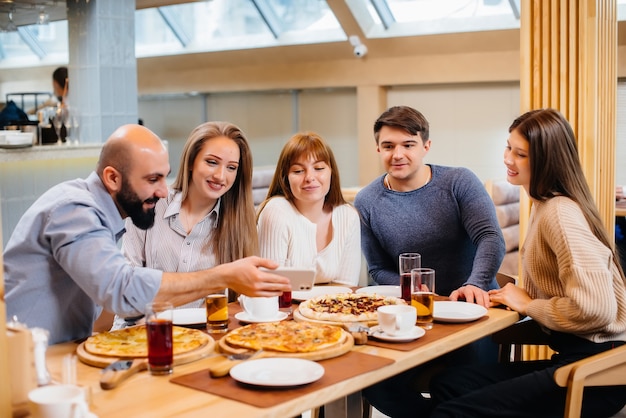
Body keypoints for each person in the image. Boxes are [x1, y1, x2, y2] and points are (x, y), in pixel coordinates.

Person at [3, 124, 290, 345]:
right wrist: (221, 276)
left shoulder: (101, 215)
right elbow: (121, 292)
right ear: (113, 178)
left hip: (59, 351)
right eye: (153, 179)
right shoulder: (74, 210)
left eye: (164, 177)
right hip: (28, 360)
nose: (165, 191)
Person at [430, 108, 626, 417]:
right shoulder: (543, 204)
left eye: (520, 154)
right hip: (581, 358)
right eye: (509, 146)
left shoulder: (560, 213)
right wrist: (508, 293)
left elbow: (597, 308)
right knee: (450, 383)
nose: (508, 158)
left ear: (546, 161)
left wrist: (529, 305)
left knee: (453, 411)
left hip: (599, 372)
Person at [354, 105, 505, 417]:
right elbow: (377, 269)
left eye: (408, 145)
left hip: (472, 310)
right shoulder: (366, 200)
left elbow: (490, 237)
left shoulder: (458, 181)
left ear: (426, 146)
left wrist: (474, 284)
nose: (398, 154)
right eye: (388, 146)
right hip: (415, 315)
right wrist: (421, 293)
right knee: (374, 383)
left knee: (463, 386)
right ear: (378, 149)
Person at [111, 121, 259, 329]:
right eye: (211, 162)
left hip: (202, 339)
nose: (220, 176)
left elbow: (242, 303)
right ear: (191, 161)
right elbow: (126, 295)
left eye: (231, 167)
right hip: (139, 334)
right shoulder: (149, 204)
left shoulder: (239, 222)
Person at [256, 131, 361, 286]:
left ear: (331, 172)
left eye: (319, 168)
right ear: (285, 178)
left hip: (331, 309)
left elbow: (346, 288)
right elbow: (272, 286)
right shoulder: (276, 211)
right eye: (298, 171)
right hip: (281, 308)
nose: (310, 178)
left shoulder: (348, 215)